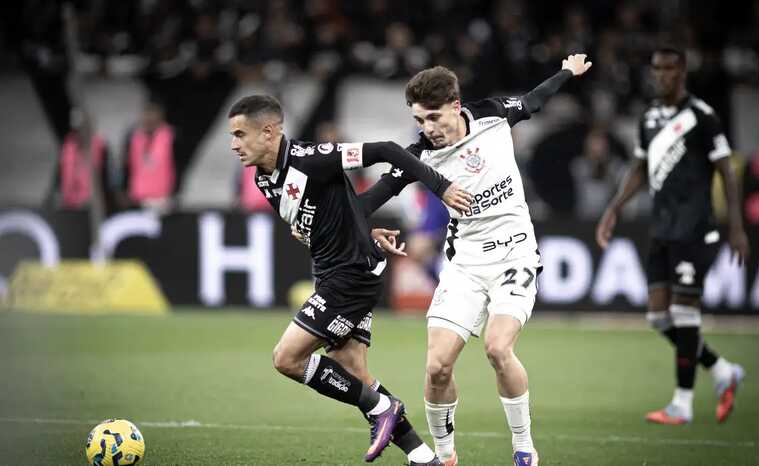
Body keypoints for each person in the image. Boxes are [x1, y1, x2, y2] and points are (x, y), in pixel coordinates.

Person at [358, 55, 593, 466]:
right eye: (419, 120)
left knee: (498, 348)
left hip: (514, 252)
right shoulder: (419, 156)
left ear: (454, 104)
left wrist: (568, 72)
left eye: (434, 117)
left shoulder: (493, 116)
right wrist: (322, 220)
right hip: (465, 265)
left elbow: (535, 100)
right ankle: (446, 458)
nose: (428, 128)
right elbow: (370, 199)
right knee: (437, 368)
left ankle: (524, 448)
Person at [227, 95, 472, 465]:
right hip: (337, 271)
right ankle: (424, 458)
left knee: (287, 359)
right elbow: (334, 216)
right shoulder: (264, 179)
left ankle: (380, 409)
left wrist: (440, 186)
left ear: (269, 132)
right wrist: (363, 232)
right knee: (352, 372)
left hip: (350, 276)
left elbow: (386, 150)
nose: (234, 144)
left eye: (240, 134)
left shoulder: (313, 158)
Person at [596, 45, 750, 425]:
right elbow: (639, 168)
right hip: (662, 229)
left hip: (695, 230)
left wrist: (736, 225)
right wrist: (614, 208)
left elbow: (726, 171)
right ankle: (722, 370)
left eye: (667, 69)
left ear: (682, 72)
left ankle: (682, 403)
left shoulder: (702, 116)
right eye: (655, 69)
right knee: (658, 319)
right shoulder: (649, 118)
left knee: (683, 314)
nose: (660, 76)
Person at [117, 99, 177, 212]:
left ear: (161, 115)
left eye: (153, 113)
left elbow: (178, 164)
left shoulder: (171, 136)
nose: (149, 117)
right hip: (136, 196)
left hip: (163, 197)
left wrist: (175, 192)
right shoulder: (132, 136)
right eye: (146, 113)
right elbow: (126, 165)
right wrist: (123, 189)